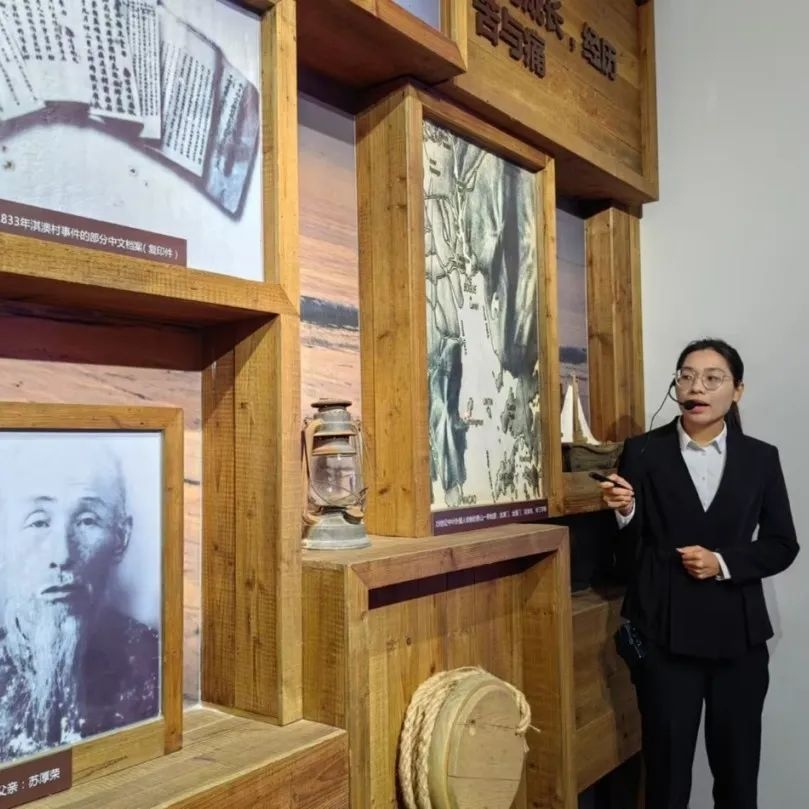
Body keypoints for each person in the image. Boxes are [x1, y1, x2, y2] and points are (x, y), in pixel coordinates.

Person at [600, 337, 799, 809]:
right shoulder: (642, 452)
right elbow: (625, 558)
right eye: (686, 376)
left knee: (737, 778)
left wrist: (723, 563)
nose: (696, 387)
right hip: (665, 637)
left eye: (713, 378)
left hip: (739, 641)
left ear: (737, 390)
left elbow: (782, 544)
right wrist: (625, 513)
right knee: (666, 780)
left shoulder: (760, 458)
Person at [0, 439, 159, 763]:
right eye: (39, 522)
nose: (62, 555)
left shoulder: (150, 661)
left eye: (87, 521)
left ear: (121, 536)